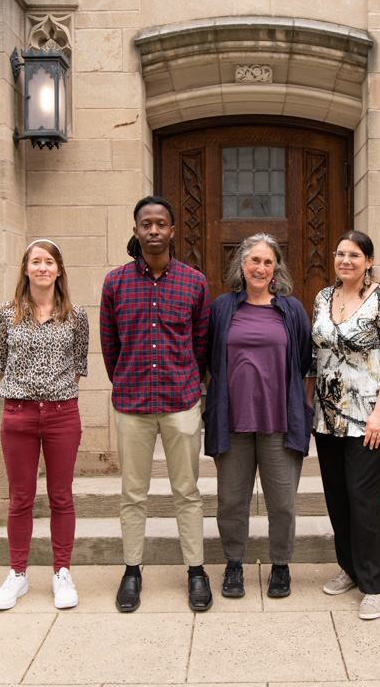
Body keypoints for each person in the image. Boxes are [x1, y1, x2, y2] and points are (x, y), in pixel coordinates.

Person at [100, 195, 212, 613]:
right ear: (135, 230)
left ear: (171, 230)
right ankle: (132, 571)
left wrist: (188, 382)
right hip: (131, 405)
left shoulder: (194, 282)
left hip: (181, 402)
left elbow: (201, 346)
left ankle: (196, 571)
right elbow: (110, 347)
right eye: (145, 224)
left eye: (160, 224)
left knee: (187, 491)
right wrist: (128, 381)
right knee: (133, 493)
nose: (153, 230)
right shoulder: (115, 283)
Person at [203, 234, 314, 600]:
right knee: (231, 501)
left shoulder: (291, 309)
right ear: (242, 266)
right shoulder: (222, 308)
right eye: (254, 261)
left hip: (279, 421)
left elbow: (303, 359)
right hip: (232, 420)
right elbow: (208, 357)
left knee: (282, 501)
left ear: (276, 268)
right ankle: (234, 564)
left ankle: (280, 566)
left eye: (268, 262)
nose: (261, 268)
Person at [0, 239, 89, 611]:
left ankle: (61, 571)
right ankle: (17, 574)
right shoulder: (5, 314)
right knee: (20, 498)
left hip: (62, 414)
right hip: (19, 414)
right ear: (26, 269)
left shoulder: (76, 316)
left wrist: (53, 394)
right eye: (36, 262)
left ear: (59, 270)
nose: (43, 267)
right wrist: (29, 393)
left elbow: (79, 367)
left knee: (62, 497)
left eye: (49, 262)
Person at [311, 230, 380, 620]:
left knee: (363, 499)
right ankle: (350, 568)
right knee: (336, 497)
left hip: (369, 417)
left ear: (368, 260)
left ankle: (375, 584)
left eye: (354, 254)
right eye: (339, 253)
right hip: (327, 416)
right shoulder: (322, 297)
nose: (345, 260)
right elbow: (315, 353)